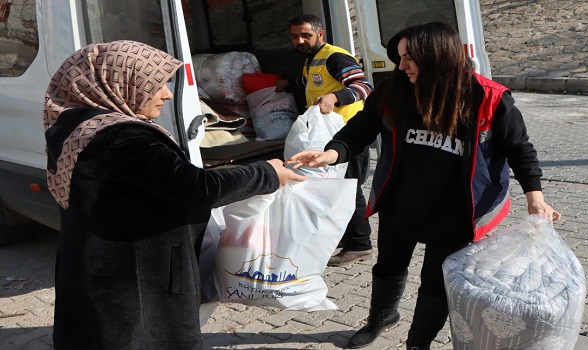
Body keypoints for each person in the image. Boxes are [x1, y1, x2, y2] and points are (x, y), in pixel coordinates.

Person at [287, 22, 561, 350]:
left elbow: (519, 148)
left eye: (409, 58)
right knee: (388, 267)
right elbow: (361, 128)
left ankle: (418, 341)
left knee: (435, 283)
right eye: (400, 58)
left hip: (456, 211)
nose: (401, 66)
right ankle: (381, 317)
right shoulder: (396, 89)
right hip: (400, 201)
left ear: (438, 57)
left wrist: (535, 197)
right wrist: (331, 153)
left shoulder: (488, 98)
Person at [44, 40, 305, 350]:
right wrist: (267, 174)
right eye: (156, 85)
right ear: (122, 83)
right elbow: (198, 188)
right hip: (134, 286)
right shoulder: (124, 137)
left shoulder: (76, 124)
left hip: (97, 269)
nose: (167, 94)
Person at [276, 14, 374, 267]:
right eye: (295, 36)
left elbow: (363, 86)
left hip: (348, 134)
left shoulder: (335, 57)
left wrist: (335, 97)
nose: (300, 40)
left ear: (320, 35)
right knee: (336, 187)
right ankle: (347, 235)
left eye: (305, 35)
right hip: (329, 136)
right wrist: (287, 83)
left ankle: (361, 244)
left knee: (350, 188)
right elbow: (310, 84)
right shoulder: (312, 60)